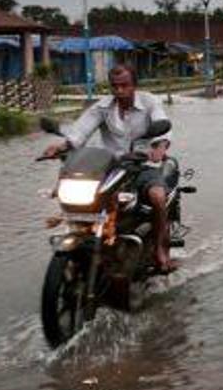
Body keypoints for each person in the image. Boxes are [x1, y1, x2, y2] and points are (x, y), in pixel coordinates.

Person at [42, 64, 178, 273]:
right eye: (115, 86)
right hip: (111, 167)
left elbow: (162, 124)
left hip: (142, 165)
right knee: (86, 199)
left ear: (134, 85)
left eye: (124, 85)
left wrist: (159, 147)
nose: (119, 91)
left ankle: (161, 247)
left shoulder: (150, 102)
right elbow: (80, 131)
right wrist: (61, 146)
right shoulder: (102, 107)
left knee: (158, 196)